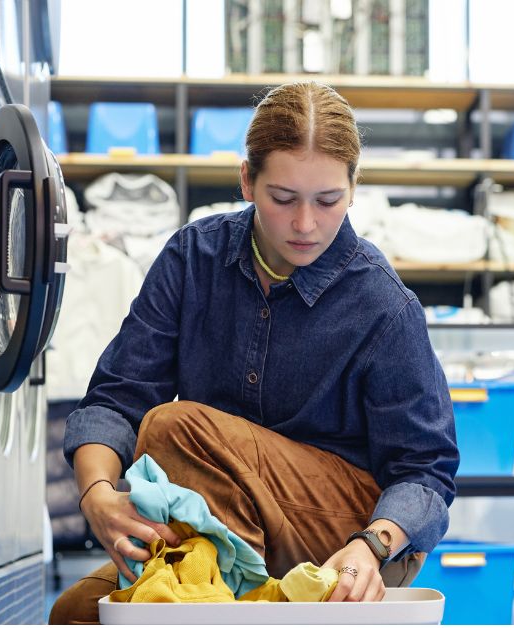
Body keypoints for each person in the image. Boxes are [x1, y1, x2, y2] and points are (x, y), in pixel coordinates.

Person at [49, 81, 458, 624]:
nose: (305, 224)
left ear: (354, 188)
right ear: (247, 181)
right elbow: (117, 397)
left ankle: (227, 600)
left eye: (328, 200)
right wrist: (97, 494)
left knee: (174, 430)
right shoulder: (193, 259)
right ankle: (227, 589)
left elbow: (425, 471)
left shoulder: (383, 305)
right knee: (78, 613)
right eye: (283, 199)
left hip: (346, 539)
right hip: (212, 514)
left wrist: (375, 544)